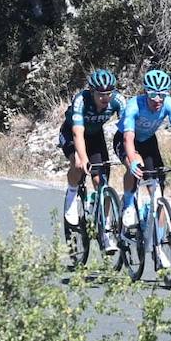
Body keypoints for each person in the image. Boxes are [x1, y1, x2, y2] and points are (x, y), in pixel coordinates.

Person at [117, 68, 171, 233]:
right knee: (135, 165)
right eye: (153, 95)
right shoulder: (134, 105)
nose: (158, 100)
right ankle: (128, 204)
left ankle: (159, 238)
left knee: (156, 187)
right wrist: (133, 161)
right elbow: (128, 138)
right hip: (126, 139)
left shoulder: (170, 104)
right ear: (145, 93)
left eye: (162, 95)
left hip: (148, 141)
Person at [58, 69, 126, 246]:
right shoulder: (81, 100)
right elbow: (77, 134)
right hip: (73, 134)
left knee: (102, 183)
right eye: (100, 94)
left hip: (96, 137)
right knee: (79, 164)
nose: (105, 98)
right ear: (92, 92)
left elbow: (128, 130)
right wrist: (83, 158)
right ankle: (72, 197)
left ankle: (105, 230)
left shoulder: (118, 101)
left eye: (108, 94)